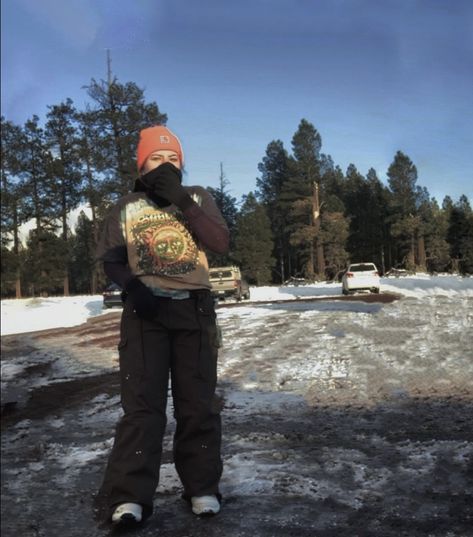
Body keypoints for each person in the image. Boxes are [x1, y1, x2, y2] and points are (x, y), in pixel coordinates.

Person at [95, 125, 229, 525]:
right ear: (142, 165)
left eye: (173, 160)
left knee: (197, 405)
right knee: (142, 408)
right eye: (157, 159)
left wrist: (181, 200)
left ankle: (202, 487)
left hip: (195, 311)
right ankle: (130, 497)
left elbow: (220, 242)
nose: (166, 165)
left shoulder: (199, 198)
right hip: (145, 313)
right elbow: (112, 259)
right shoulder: (125, 207)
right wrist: (133, 287)